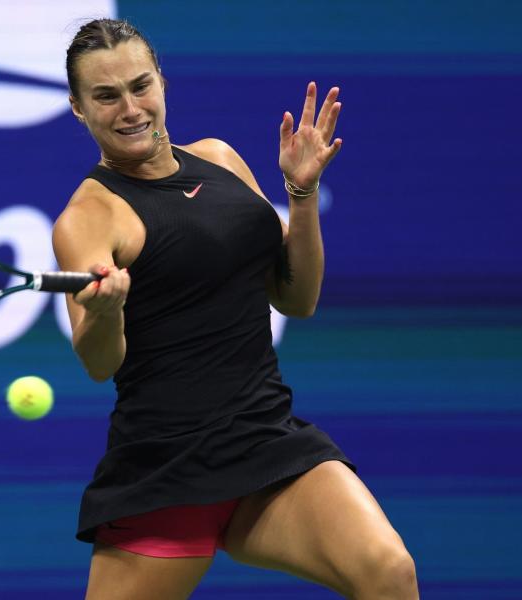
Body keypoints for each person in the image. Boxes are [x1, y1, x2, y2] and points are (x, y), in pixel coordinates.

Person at [52, 18, 418, 600]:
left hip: (265, 442)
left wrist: (301, 197)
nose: (129, 108)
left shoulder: (220, 159)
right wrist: (104, 311)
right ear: (78, 108)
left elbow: (296, 298)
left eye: (140, 86)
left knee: (389, 572)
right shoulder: (89, 218)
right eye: (106, 96)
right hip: (164, 469)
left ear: (162, 84)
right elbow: (99, 362)